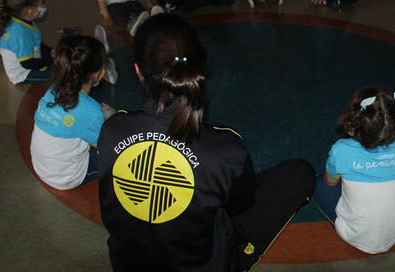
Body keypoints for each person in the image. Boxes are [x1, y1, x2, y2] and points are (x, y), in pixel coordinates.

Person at [98, 14, 315, 272]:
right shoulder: (226, 148)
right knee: (299, 174)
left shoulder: (111, 129)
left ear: (138, 71)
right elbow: (241, 205)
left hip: (130, 265)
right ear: (199, 68)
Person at [312, 88, 395, 254]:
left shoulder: (341, 149)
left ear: (354, 123)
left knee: (316, 181)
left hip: (355, 234)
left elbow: (330, 182)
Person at [31, 35, 113, 190]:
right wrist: (110, 118)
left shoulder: (52, 90)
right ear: (99, 73)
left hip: (42, 166)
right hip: (66, 176)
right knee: (119, 153)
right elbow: (107, 145)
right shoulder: (90, 110)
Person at [0, 0, 53, 84]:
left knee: (63, 65)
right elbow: (27, 63)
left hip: (31, 61)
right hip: (24, 74)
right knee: (64, 75)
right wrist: (49, 61)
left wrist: (51, 52)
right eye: (42, 3)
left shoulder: (22, 22)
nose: (44, 6)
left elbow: (36, 42)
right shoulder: (21, 34)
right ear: (31, 11)